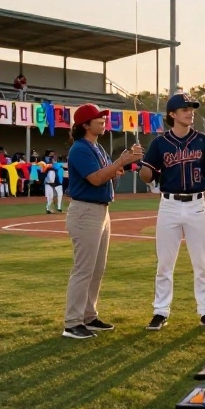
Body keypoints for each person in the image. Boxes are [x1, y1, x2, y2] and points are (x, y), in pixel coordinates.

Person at [139, 93, 205, 331]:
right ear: (172, 114)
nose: (190, 112)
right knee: (165, 263)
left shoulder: (203, 140)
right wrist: (142, 164)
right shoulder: (159, 143)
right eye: (185, 109)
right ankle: (160, 311)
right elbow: (148, 175)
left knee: (201, 263)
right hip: (169, 205)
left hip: (197, 204)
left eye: (192, 108)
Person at [62, 103, 142, 339]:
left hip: (100, 211)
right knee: (83, 269)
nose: (103, 121)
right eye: (98, 119)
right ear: (85, 125)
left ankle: (88, 316)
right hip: (85, 211)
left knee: (97, 269)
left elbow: (107, 177)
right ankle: (72, 322)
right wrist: (120, 162)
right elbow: (96, 179)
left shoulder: (97, 148)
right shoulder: (80, 149)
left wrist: (120, 166)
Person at [43, 149, 64, 214]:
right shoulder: (46, 160)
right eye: (51, 154)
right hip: (49, 181)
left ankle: (59, 208)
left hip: (56, 180)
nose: (52, 155)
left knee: (59, 194)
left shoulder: (55, 162)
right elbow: (47, 166)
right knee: (50, 196)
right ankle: (48, 208)